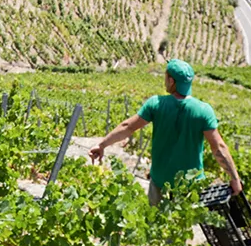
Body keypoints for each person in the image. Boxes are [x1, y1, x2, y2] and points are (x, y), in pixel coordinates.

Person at [88, 59, 241, 206]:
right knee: (183, 229)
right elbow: (218, 148)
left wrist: (102, 145)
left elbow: (128, 127)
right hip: (191, 188)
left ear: (172, 81)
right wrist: (234, 178)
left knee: (157, 226)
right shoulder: (203, 110)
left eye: (166, 77)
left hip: (160, 183)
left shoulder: (156, 104)